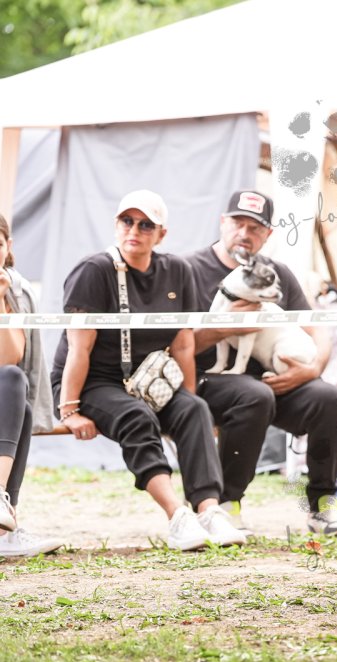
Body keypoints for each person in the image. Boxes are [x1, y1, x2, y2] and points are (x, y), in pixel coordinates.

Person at [50, 190, 245, 551]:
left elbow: (183, 342)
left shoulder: (177, 270)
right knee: (136, 416)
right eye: (127, 221)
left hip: (148, 382)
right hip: (92, 382)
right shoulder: (93, 270)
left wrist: (185, 398)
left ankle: (208, 511)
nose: (134, 230)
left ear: (161, 234)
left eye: (145, 225)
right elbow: (79, 347)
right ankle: (177, 516)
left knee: (194, 408)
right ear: (116, 225)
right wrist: (69, 409)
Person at [185, 190, 337, 536]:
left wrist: (313, 368)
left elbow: (317, 329)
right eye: (238, 223)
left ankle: (323, 504)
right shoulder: (189, 270)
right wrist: (221, 328)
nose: (244, 233)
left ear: (268, 235)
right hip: (209, 380)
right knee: (253, 395)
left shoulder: (277, 274)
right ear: (222, 222)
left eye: (255, 228)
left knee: (327, 398)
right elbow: (177, 345)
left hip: (275, 378)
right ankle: (225, 505)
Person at [0, 214, 63, 557]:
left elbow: (10, 358)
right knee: (13, 387)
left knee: (15, 386)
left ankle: (4, 521)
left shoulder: (16, 290)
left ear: (8, 246)